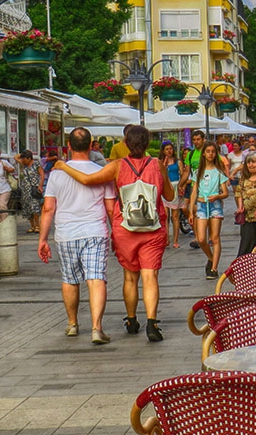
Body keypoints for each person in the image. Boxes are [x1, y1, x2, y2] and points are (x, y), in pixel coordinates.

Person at [54, 125, 174, 342]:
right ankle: (152, 322)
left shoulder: (118, 166)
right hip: (153, 229)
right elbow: (169, 194)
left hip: (125, 229)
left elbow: (87, 180)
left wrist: (63, 165)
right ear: (147, 144)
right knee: (150, 276)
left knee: (130, 277)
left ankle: (131, 319)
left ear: (125, 144)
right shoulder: (157, 164)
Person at [38, 127, 117, 345]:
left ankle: (72, 323)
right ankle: (96, 328)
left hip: (66, 233)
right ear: (91, 146)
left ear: (69, 146)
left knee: (70, 279)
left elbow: (48, 209)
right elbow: (111, 208)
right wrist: (116, 234)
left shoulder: (56, 174)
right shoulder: (102, 172)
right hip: (95, 231)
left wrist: (42, 239)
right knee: (96, 278)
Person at [192, 141, 229, 279]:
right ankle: (211, 257)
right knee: (201, 239)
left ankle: (214, 268)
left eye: (213, 151)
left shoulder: (219, 171)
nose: (210, 154)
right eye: (207, 151)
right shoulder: (197, 172)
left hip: (215, 205)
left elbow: (226, 193)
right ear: (203, 154)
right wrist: (191, 211)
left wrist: (218, 196)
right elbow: (194, 191)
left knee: (215, 238)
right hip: (201, 205)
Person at [182, 130, 207, 248]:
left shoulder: (209, 151)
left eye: (198, 139)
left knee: (209, 212)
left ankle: (211, 236)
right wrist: (181, 184)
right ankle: (198, 238)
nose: (196, 142)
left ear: (203, 139)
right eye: (194, 140)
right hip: (195, 186)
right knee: (195, 211)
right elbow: (187, 171)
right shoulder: (191, 154)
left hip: (209, 185)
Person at [159, 141, 184, 248]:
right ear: (163, 151)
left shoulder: (177, 162)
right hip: (165, 188)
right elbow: (159, 175)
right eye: (167, 149)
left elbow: (183, 175)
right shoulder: (160, 162)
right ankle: (166, 239)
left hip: (175, 186)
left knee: (175, 215)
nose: (169, 151)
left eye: (170, 149)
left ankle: (175, 240)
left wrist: (181, 186)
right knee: (165, 216)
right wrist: (163, 166)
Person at [15, 149, 44, 233]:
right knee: (27, 208)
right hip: (25, 189)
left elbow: (42, 174)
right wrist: (22, 154)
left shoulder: (36, 164)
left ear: (29, 158)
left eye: (25, 158)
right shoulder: (24, 165)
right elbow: (15, 157)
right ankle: (32, 226)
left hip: (34, 188)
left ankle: (37, 225)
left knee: (35, 207)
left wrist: (40, 185)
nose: (23, 160)